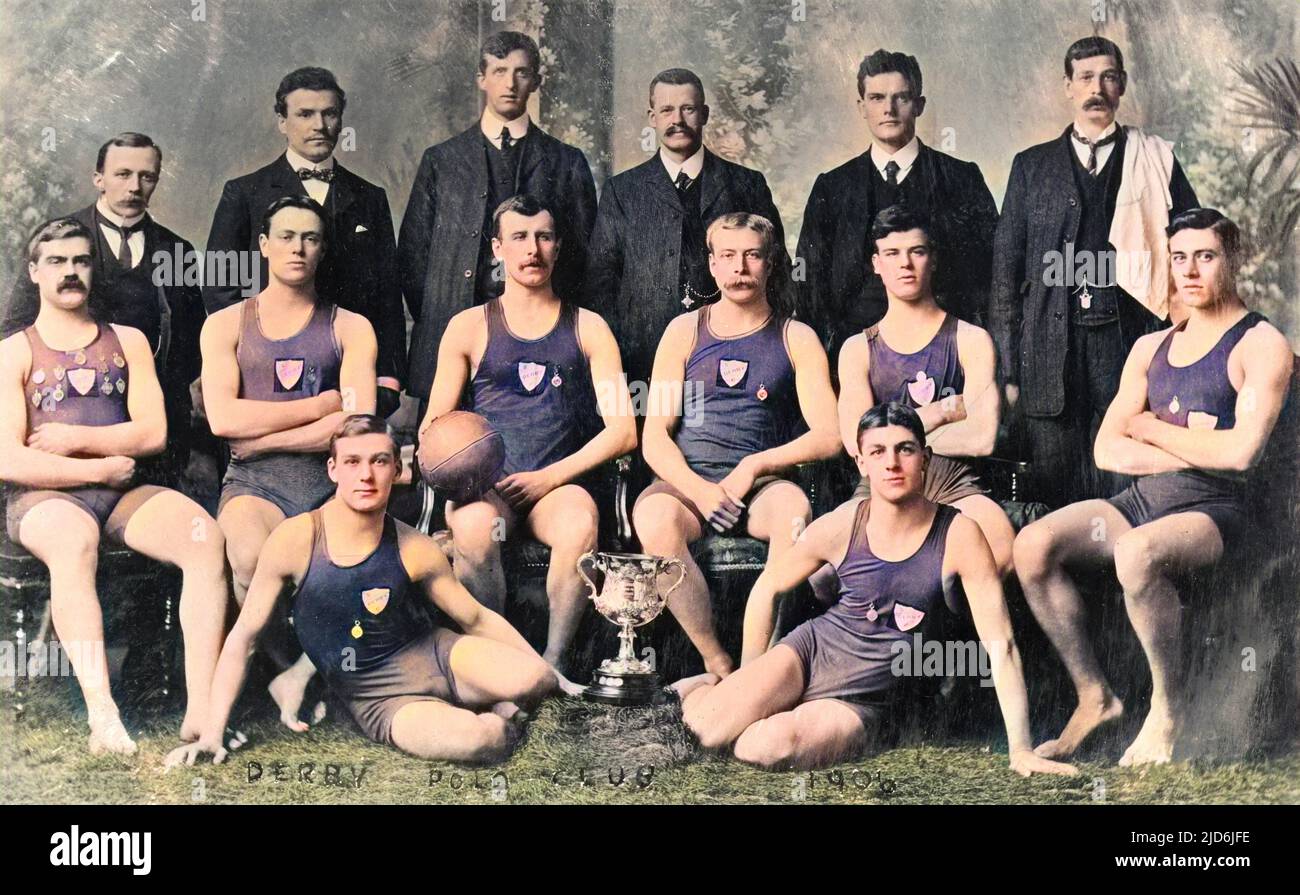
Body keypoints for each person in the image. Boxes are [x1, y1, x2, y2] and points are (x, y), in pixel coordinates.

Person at [1013, 209, 1293, 766]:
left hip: (1224, 514)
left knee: (1137, 552)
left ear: (1232, 260)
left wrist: (1150, 427)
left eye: (1206, 256)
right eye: (1180, 257)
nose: (1190, 271)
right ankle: (1095, 696)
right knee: (1032, 546)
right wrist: (1192, 442)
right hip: (1141, 502)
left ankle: (1168, 709)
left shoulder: (1261, 345)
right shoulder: (1152, 347)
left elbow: (1241, 455)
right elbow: (1106, 448)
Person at [676, 402, 1077, 776]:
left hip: (871, 700)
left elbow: (1000, 644)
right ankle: (717, 688)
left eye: (905, 449)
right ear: (861, 462)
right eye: (879, 452)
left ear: (925, 458)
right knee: (704, 732)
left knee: (763, 747)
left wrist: (1020, 749)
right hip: (812, 653)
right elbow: (768, 587)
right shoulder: (844, 522)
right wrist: (751, 677)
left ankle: (728, 697)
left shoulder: (959, 534)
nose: (892, 463)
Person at [165, 414, 572, 766]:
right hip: (381, 697)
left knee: (535, 678)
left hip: (438, 655)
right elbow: (243, 639)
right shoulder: (296, 540)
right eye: (352, 462)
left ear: (397, 470)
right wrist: (212, 734)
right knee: (487, 739)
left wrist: (552, 674)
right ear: (332, 470)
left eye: (379, 461)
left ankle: (484, 699)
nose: (366, 475)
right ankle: (479, 713)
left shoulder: (415, 546)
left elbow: (477, 618)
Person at [0, 218, 226, 754]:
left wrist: (73, 438)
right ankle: (104, 716)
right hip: (44, 499)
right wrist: (97, 468)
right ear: (34, 272)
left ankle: (200, 710)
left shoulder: (127, 340)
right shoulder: (15, 350)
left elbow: (152, 433)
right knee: (74, 542)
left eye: (81, 261)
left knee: (203, 537)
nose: (71, 272)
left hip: (125, 495)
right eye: (56, 262)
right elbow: (10, 458)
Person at [419, 195, 636, 668]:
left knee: (580, 523)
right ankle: (500, 660)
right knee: (475, 527)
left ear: (558, 247)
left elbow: (623, 432)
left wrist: (549, 478)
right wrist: (465, 471)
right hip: (489, 487)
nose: (532, 249)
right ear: (498, 248)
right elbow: (433, 426)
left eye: (543, 237)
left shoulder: (588, 326)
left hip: (556, 486)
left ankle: (552, 665)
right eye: (519, 237)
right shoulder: (469, 326)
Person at [991, 36, 1200, 507]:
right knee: (1052, 493)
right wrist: (1007, 369)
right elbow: (1005, 279)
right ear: (1068, 86)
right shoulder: (1031, 167)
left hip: (1127, 349)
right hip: (1047, 356)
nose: (1096, 89)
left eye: (1107, 77)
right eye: (1085, 77)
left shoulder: (1155, 161)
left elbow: (1193, 251)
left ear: (1122, 85)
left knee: (1124, 490)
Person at [634, 212, 839, 678]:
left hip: (762, 489)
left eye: (752, 255)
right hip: (687, 486)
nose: (740, 268)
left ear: (771, 264)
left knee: (792, 514)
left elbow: (831, 434)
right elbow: (654, 437)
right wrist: (702, 491)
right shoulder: (684, 331)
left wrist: (753, 466)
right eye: (727, 256)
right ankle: (717, 660)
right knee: (652, 517)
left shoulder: (795, 336)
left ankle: (758, 669)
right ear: (712, 265)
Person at [200, 195, 377, 722]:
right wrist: (318, 407)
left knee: (351, 575)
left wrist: (266, 435)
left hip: (331, 484)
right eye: (285, 236)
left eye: (311, 238)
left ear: (324, 249)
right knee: (251, 560)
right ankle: (291, 667)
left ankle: (316, 674)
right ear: (263, 246)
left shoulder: (351, 326)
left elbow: (355, 425)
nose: (297, 248)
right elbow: (223, 422)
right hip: (254, 483)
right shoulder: (226, 324)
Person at [400, 31, 597, 416]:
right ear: (481, 78)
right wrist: (447, 310)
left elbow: (586, 257)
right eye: (499, 71)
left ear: (537, 81)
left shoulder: (566, 161)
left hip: (543, 338)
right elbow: (413, 256)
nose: (510, 83)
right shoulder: (442, 160)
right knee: (449, 455)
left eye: (522, 73)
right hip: (457, 335)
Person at [2, 133, 206, 487]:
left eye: (147, 176)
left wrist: (149, 392)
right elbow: (14, 330)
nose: (134, 187)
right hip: (66, 417)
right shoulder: (58, 242)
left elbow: (193, 343)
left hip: (153, 423)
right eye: (122, 174)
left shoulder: (177, 249)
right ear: (99, 179)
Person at [203, 68, 405, 415]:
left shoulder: (370, 197)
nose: (319, 125)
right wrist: (248, 359)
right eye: (305, 114)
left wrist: (387, 376)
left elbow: (386, 294)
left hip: (348, 368)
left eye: (329, 113)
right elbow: (219, 287)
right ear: (282, 121)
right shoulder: (244, 193)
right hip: (267, 373)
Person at [831, 206, 1011, 578]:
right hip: (880, 486)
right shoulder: (857, 348)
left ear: (933, 258)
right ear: (876, 263)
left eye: (917, 251)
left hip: (954, 484)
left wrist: (888, 437)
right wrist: (941, 412)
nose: (905, 264)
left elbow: (982, 438)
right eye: (893, 254)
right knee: (824, 573)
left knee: (1002, 550)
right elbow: (855, 443)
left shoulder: (970, 339)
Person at [585, 67, 786, 388]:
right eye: (666, 110)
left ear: (704, 114)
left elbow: (777, 272)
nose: (677, 119)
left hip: (732, 352)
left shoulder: (745, 184)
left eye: (688, 109)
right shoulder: (622, 190)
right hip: (643, 359)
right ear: (652, 117)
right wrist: (621, 353)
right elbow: (600, 283)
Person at [798, 50, 998, 361]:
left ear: (919, 105)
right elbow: (810, 285)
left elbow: (989, 275)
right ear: (862, 107)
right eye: (877, 98)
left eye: (901, 98)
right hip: (852, 355)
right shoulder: (833, 186)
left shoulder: (961, 179)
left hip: (946, 351)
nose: (888, 109)